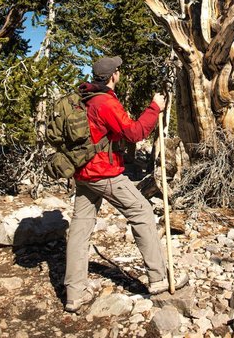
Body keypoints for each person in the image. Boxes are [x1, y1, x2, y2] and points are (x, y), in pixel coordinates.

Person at [64, 56, 188, 313]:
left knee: (80, 228)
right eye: (118, 70)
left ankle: (74, 294)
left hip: (83, 172)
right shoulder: (105, 102)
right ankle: (159, 279)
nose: (119, 73)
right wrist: (154, 108)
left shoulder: (83, 98)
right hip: (103, 173)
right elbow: (134, 133)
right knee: (142, 212)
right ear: (112, 76)